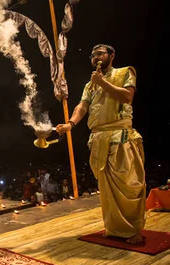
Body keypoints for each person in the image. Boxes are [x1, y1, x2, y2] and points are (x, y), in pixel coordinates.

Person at [56, 44, 146, 244]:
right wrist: (71, 124)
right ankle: (115, 229)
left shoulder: (125, 72)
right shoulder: (90, 85)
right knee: (107, 189)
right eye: (92, 55)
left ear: (111, 55)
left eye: (100, 53)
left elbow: (127, 97)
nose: (95, 57)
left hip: (120, 136)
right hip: (99, 138)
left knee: (128, 184)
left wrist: (103, 82)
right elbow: (83, 106)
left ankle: (133, 230)